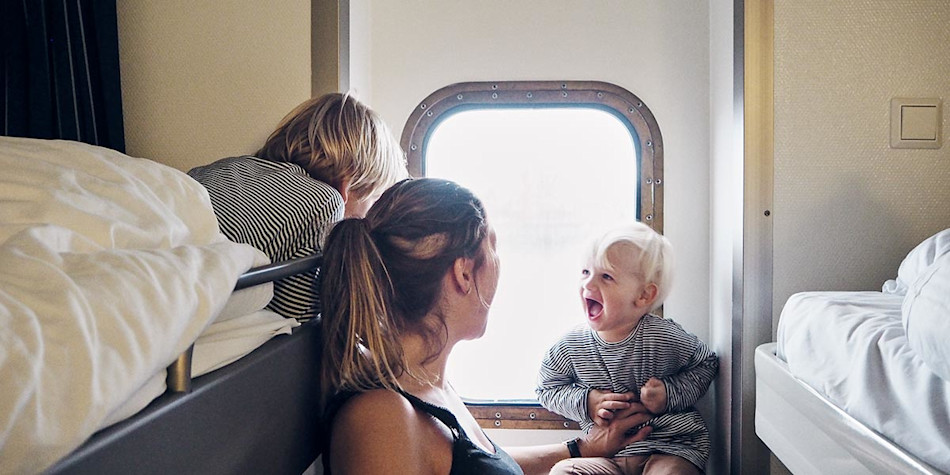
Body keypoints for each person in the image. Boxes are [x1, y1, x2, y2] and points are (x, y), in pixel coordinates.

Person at [318, 178, 654, 475]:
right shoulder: (382, 417)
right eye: (494, 248)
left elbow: (484, 464)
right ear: (463, 273)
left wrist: (581, 449)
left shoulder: (429, 385)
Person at [188, 93, 407, 322]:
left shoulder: (230, 166)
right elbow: (296, 319)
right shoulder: (324, 201)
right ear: (347, 186)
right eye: (373, 203)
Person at [536, 222, 719, 475]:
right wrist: (587, 402)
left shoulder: (663, 336)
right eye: (586, 272)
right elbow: (547, 388)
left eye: (606, 277)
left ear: (644, 295)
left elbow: (706, 363)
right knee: (564, 471)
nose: (588, 284)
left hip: (670, 448)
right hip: (608, 455)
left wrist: (669, 393)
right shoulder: (570, 347)